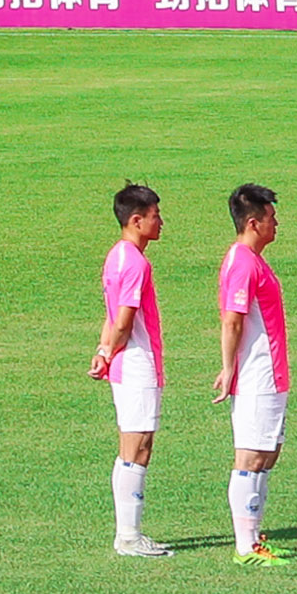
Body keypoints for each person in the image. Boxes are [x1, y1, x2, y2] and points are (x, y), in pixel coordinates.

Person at [91, 183, 169, 558]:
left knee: (133, 446)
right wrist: (110, 349)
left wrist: (103, 351)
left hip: (125, 363)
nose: (161, 223)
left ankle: (128, 534)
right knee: (136, 448)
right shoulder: (136, 263)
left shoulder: (115, 257)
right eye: (155, 216)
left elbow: (111, 316)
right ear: (136, 220)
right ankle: (128, 536)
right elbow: (123, 319)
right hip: (136, 363)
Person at [218, 184, 293, 566]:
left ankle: (254, 536)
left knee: (267, 454)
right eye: (271, 218)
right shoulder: (243, 263)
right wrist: (229, 368)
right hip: (256, 376)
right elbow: (232, 320)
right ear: (253, 223)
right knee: (250, 456)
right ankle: (245, 547)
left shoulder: (254, 261)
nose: (276, 224)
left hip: (271, 374)